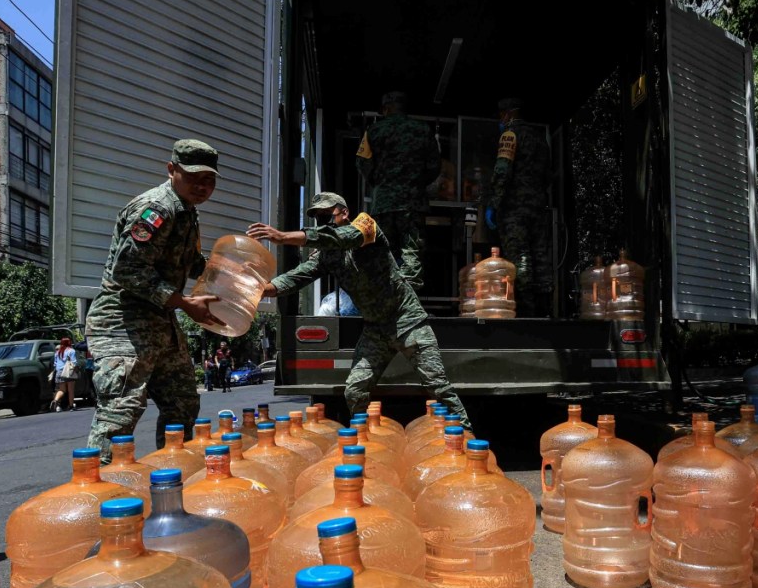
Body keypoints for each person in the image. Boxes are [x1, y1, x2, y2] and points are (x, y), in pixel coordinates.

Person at [247, 192, 472, 429]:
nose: (324, 223)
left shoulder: (365, 225)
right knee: (354, 391)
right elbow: (296, 277)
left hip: (407, 320)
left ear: (344, 213)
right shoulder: (327, 256)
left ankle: (466, 440)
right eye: (319, 219)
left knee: (438, 387)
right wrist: (261, 290)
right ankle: (371, 438)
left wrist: (283, 237)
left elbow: (344, 238)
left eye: (328, 215)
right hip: (376, 330)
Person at [84, 139, 227, 463]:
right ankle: (95, 494)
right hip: (123, 321)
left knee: (182, 405)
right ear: (171, 170)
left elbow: (189, 263)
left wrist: (230, 273)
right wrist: (185, 303)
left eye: (209, 180)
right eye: (194, 178)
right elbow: (127, 270)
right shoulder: (157, 209)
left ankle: (170, 481)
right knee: (120, 412)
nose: (202, 186)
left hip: (160, 321)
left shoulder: (188, 213)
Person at [355, 91, 440, 292]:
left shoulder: (374, 131)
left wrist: (378, 182)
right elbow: (435, 165)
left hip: (383, 202)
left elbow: (361, 162)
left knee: (385, 251)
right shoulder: (422, 130)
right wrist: (417, 183)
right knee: (411, 251)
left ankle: (387, 298)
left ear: (386, 108)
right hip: (413, 202)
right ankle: (409, 301)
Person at [485, 97, 553, 317]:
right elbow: (548, 175)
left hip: (515, 210)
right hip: (538, 208)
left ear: (507, 114)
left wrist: (493, 205)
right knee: (540, 257)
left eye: (500, 115)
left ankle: (526, 312)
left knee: (520, 258)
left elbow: (502, 172)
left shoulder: (509, 135)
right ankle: (545, 309)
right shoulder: (540, 139)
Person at [50, 337, 78, 412]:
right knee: (70, 390)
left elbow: (55, 364)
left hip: (59, 372)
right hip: (68, 372)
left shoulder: (57, 352)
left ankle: (55, 400)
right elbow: (74, 362)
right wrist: (76, 370)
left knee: (62, 390)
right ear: (69, 343)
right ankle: (71, 406)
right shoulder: (71, 351)